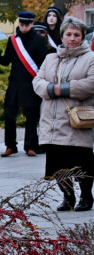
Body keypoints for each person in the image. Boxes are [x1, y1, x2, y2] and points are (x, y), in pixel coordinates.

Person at [33, 17, 94, 211]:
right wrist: (51, 89)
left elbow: (90, 84)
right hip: (52, 120)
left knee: (81, 164)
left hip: (77, 120)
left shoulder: (90, 58)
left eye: (77, 35)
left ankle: (86, 196)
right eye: (68, 34)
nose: (72, 38)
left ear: (83, 37)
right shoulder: (51, 57)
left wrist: (62, 89)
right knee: (57, 166)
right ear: (62, 36)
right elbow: (38, 81)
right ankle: (68, 197)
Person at [0, 11, 48, 156]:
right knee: (9, 115)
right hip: (14, 83)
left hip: (31, 83)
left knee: (31, 117)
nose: (24, 27)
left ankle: (30, 146)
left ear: (32, 24)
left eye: (27, 24)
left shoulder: (39, 40)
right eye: (21, 24)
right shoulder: (13, 40)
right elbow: (6, 60)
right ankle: (11, 146)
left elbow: (43, 63)